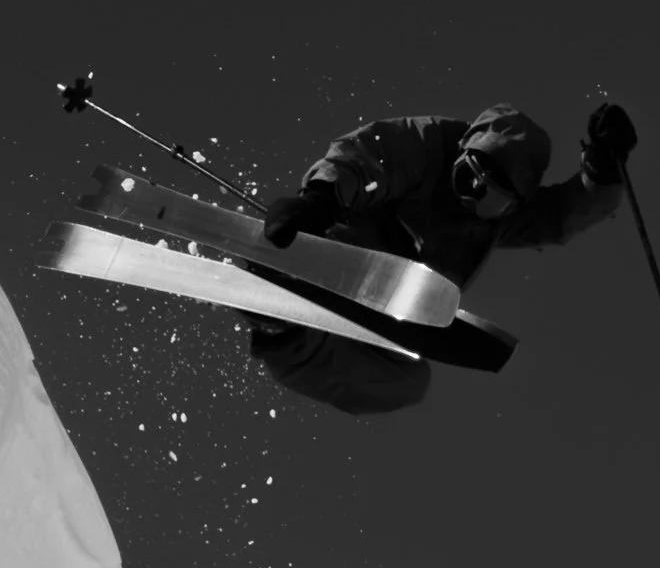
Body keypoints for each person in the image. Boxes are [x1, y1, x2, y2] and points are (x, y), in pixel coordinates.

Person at [247, 99, 638, 416]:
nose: (472, 199)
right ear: (460, 153)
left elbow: (560, 216)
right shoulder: (429, 143)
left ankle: (282, 330)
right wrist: (321, 197)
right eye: (468, 178)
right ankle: (291, 279)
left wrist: (602, 171)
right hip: (357, 245)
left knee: (408, 382)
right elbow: (371, 155)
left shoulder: (502, 220)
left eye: (492, 200)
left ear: (512, 206)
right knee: (368, 219)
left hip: (396, 301)